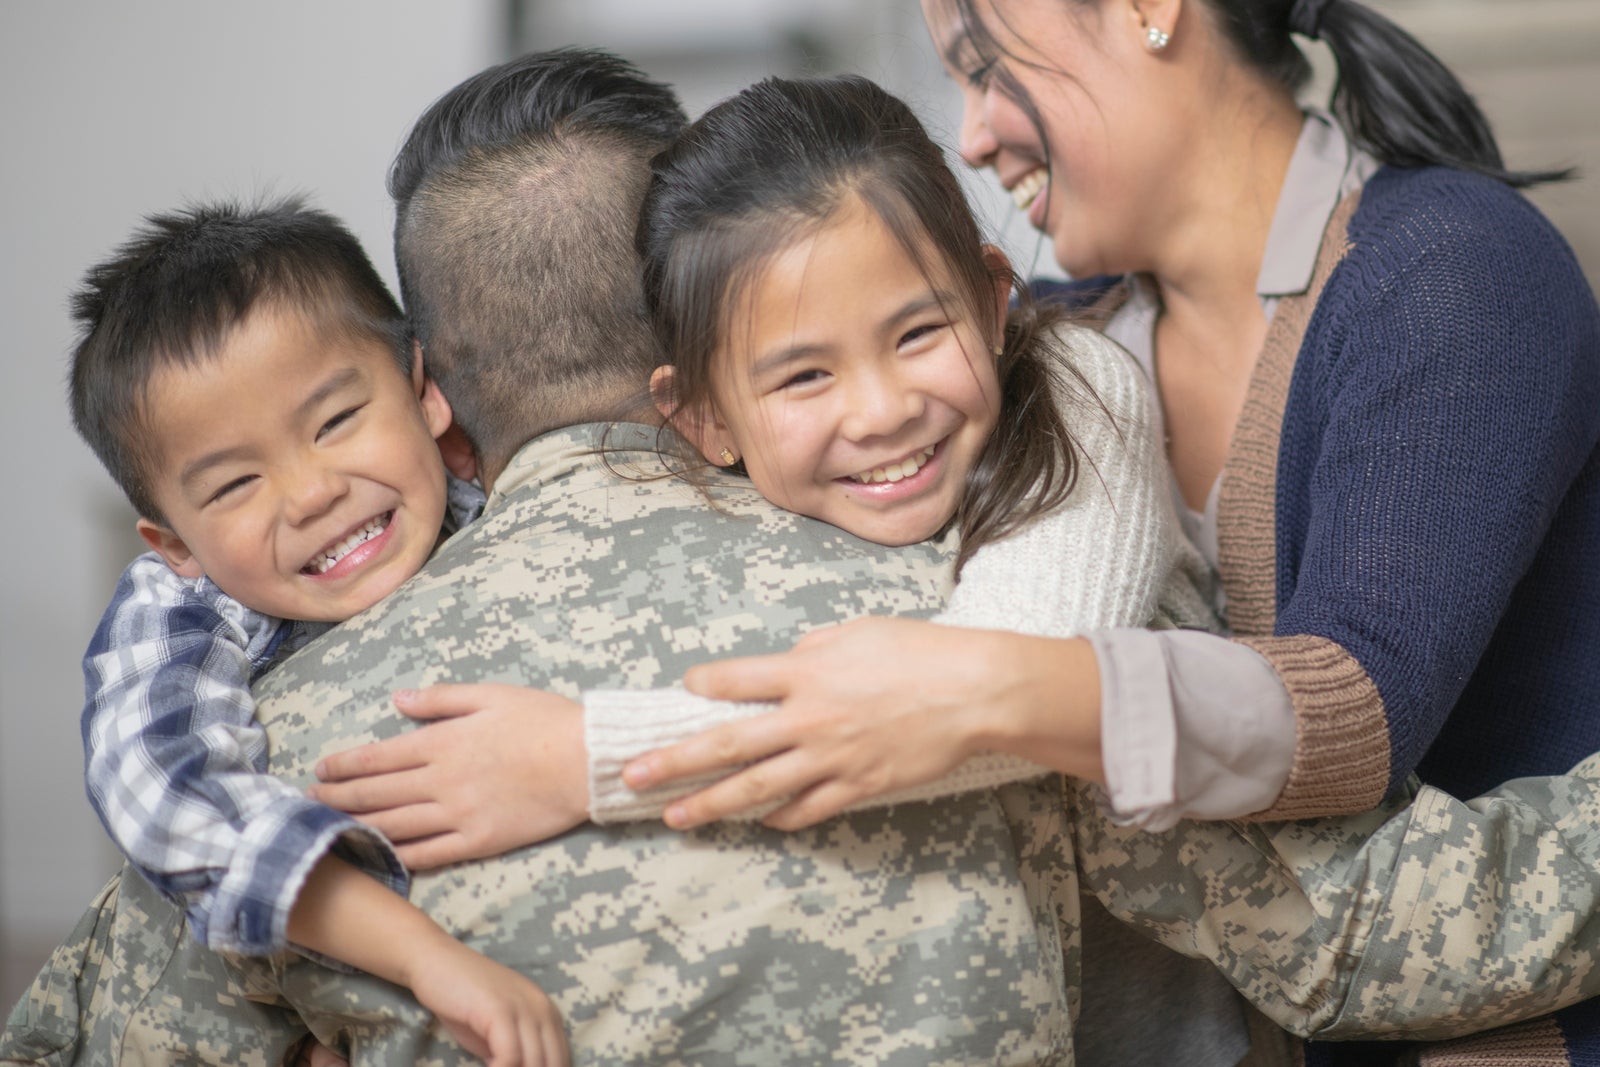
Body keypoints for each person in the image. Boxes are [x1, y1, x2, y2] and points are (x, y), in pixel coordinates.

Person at [8, 49, 1600, 1067]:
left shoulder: (269, 783)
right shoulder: (979, 668)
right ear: (699, 357)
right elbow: (1375, 928)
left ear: (440, 389)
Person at [547, 4, 1600, 1062]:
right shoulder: (1056, 341)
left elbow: (1352, 722)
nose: (970, 136)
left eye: (986, 68)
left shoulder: (1451, 271)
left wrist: (983, 690)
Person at [64, 198, 566, 1066]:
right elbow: (166, 794)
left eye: (335, 422)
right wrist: (426, 955)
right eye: (233, 485)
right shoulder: (177, 610)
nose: (310, 494)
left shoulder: (512, 470)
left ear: (423, 387)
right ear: (175, 542)